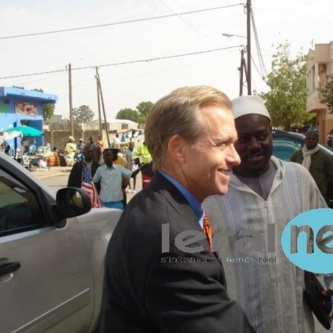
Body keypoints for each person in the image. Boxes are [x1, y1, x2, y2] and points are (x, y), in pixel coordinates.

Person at [97, 86, 255, 333]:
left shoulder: (152, 205)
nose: (235, 157)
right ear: (178, 149)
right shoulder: (171, 237)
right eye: (222, 144)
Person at [203, 95, 333, 333]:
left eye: (261, 136)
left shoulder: (297, 177)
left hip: (297, 323)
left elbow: (330, 235)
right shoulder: (212, 193)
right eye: (243, 139)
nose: (254, 145)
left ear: (271, 133)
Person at [290, 128, 333, 198]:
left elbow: (331, 176)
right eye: (308, 139)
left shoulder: (324, 156)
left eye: (313, 139)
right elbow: (290, 173)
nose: (311, 141)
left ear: (317, 140)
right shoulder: (297, 155)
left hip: (318, 195)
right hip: (299, 195)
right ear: (305, 140)